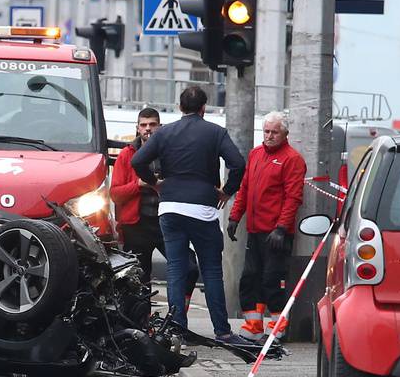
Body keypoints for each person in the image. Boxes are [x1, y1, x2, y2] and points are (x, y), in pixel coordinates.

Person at [130, 85, 246, 343]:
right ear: (204, 108)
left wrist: (154, 183)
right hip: (203, 208)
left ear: (180, 107)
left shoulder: (165, 133)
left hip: (170, 207)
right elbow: (238, 163)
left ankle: (176, 329)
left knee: (176, 269)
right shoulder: (216, 133)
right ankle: (222, 331)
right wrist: (227, 191)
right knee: (212, 269)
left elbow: (137, 161)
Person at [228, 110, 306, 320]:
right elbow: (245, 188)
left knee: (273, 280)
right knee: (250, 279)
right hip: (254, 231)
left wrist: (281, 228)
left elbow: (293, 197)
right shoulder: (255, 154)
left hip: (275, 234)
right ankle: (253, 327)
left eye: (275, 132)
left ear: (285, 134)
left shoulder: (292, 160)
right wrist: (234, 217)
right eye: (266, 131)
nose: (269, 136)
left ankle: (277, 328)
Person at [110, 107, 163, 280]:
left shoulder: (169, 152)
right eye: (144, 125)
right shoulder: (126, 155)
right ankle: (141, 308)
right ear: (137, 128)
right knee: (139, 279)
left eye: (152, 124)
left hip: (166, 222)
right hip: (137, 225)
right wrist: (139, 184)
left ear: (160, 126)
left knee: (188, 267)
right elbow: (115, 194)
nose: (148, 128)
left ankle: (177, 307)